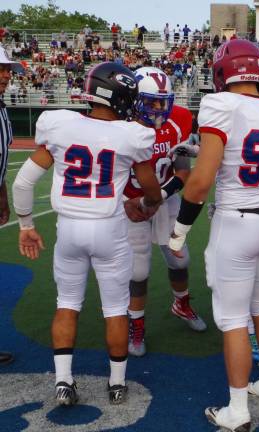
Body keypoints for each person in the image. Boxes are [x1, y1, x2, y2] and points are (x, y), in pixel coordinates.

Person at [167, 40, 259, 431]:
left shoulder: (220, 105)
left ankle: (238, 410)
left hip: (237, 221)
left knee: (232, 320)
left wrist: (180, 230)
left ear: (223, 72)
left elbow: (199, 184)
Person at [11, 62, 162, 406]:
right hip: (109, 230)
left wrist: (26, 226)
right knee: (115, 309)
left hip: (69, 230)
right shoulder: (131, 134)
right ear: (122, 96)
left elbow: (23, 182)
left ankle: (64, 381)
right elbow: (150, 188)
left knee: (66, 304)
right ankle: (117, 384)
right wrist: (146, 203)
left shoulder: (61, 125)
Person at [123, 67, 207, 358]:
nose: (159, 109)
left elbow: (183, 174)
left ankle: (180, 303)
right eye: (151, 102)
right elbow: (106, 174)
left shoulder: (180, 120)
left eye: (164, 102)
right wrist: (125, 202)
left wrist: (155, 198)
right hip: (128, 205)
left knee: (180, 259)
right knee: (138, 270)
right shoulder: (119, 123)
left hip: (163, 199)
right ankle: (136, 324)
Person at [0, 47, 24, 366]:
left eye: (7, 69)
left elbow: (1, 162)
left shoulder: (2, 108)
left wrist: (3, 197)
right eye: (2, 69)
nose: (7, 75)